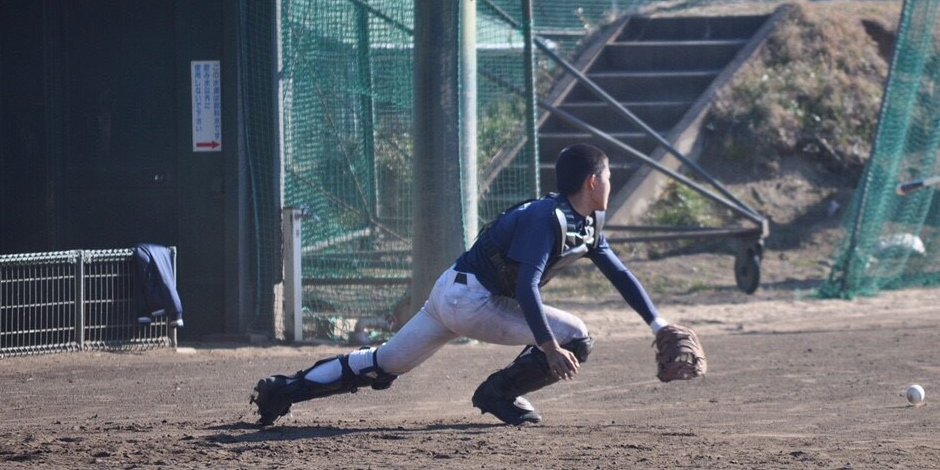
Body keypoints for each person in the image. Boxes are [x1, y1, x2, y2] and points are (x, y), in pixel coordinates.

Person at [251, 143, 675, 427]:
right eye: (608, 177)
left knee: (385, 361)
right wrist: (549, 348)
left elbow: (618, 271)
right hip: (475, 301)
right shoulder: (547, 218)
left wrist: (659, 325)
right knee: (576, 338)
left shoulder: (583, 221)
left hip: (451, 293)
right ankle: (497, 394)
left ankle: (283, 390)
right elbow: (527, 287)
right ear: (592, 182)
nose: (610, 184)